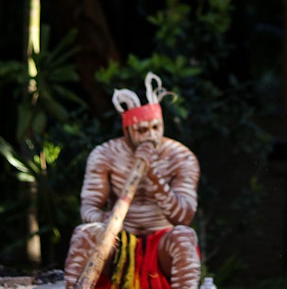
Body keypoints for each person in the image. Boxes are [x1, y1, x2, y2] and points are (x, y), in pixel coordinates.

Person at [64, 73, 201, 289]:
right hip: (118, 242)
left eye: (156, 127)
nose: (151, 136)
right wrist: (106, 221)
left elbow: (184, 217)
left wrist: (154, 176)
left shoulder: (180, 156)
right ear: (127, 130)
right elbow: (88, 209)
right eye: (142, 130)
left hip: (162, 244)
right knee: (84, 234)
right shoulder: (105, 154)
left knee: (184, 237)